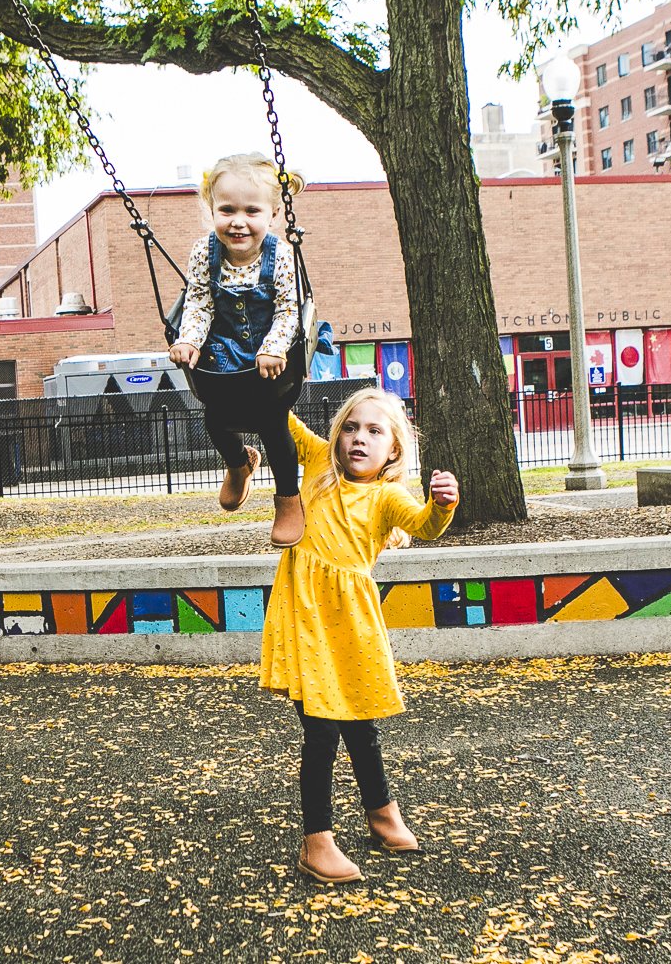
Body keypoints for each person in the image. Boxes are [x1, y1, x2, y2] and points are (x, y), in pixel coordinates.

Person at [258, 387, 461, 883]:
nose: (359, 438)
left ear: (393, 449)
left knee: (362, 725)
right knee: (322, 730)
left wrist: (443, 505)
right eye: (350, 427)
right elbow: (275, 416)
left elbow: (425, 525)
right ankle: (317, 841)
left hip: (352, 622)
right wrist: (269, 374)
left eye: (374, 431)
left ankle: (381, 812)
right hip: (307, 620)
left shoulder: (386, 496)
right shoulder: (315, 467)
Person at [169, 153, 307, 548]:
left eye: (251, 210)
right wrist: (189, 340)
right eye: (226, 209)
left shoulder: (280, 256)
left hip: (272, 357)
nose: (238, 221)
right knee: (215, 420)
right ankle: (239, 464)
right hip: (223, 352)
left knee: (272, 424)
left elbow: (289, 310)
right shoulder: (203, 252)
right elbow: (198, 303)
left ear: (273, 214)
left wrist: (274, 347)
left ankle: (287, 500)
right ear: (211, 209)